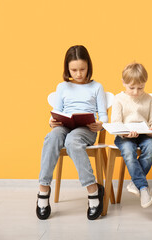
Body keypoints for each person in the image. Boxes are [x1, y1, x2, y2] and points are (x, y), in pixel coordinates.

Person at [37, 45, 107, 220]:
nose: (78, 74)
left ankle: (92, 190)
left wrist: (100, 124)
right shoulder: (62, 86)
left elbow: (104, 116)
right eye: (73, 70)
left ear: (88, 67)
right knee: (52, 137)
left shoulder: (97, 87)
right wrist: (51, 121)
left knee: (72, 141)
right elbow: (57, 110)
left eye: (82, 69)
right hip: (65, 125)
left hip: (86, 129)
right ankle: (43, 189)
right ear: (67, 69)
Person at [111, 62, 152, 209]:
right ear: (123, 83)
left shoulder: (149, 99)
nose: (136, 92)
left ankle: (135, 182)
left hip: (144, 134)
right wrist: (125, 132)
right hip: (125, 135)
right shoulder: (118, 99)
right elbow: (116, 122)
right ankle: (143, 188)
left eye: (141, 87)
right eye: (131, 87)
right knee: (128, 151)